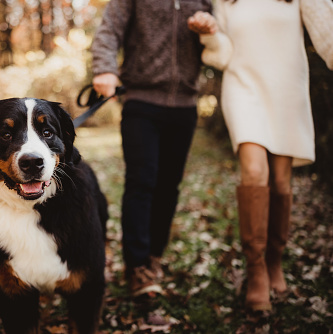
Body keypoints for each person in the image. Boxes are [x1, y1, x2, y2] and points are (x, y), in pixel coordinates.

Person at [188, 0, 333, 311]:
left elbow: (327, 35)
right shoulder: (227, 1)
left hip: (287, 91)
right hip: (244, 89)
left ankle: (274, 262)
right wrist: (209, 33)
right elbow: (223, 53)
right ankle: (256, 271)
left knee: (281, 182)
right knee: (254, 173)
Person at [90, 0, 213, 297]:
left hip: (185, 105)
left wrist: (210, 30)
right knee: (142, 182)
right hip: (141, 102)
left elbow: (220, 44)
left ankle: (154, 256)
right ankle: (137, 265)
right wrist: (105, 68)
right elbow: (109, 29)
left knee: (169, 186)